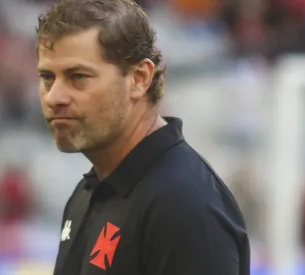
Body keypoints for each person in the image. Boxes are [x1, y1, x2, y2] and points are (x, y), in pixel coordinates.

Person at [36, 0, 250, 274]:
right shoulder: (90, 192)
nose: (54, 97)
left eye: (78, 77)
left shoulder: (184, 205)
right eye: (47, 77)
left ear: (139, 78)